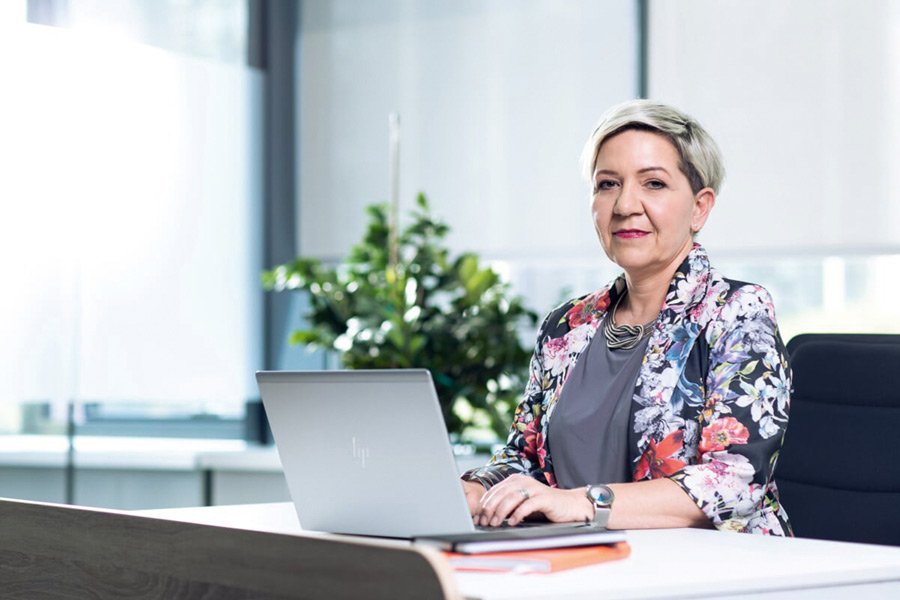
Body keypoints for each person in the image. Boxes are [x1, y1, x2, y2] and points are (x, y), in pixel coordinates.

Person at [460, 99, 792, 535]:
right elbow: (524, 459)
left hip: (714, 565)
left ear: (700, 207)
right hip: (582, 557)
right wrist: (475, 489)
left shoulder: (736, 313)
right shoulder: (566, 326)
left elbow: (734, 482)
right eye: (608, 184)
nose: (624, 204)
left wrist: (581, 503)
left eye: (653, 183)